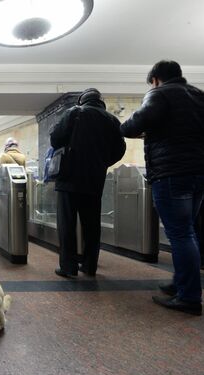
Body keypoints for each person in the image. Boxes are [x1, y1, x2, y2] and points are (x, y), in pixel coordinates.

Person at [121, 60, 204, 316]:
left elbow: (133, 124)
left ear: (156, 79)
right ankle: (181, 283)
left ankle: (189, 297)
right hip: (200, 173)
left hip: (172, 172)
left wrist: (133, 129)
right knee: (188, 230)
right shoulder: (201, 97)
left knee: (180, 233)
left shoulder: (159, 94)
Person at [50, 88, 126, 279]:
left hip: (68, 177)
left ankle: (68, 267)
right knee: (92, 225)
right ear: (100, 101)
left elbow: (55, 139)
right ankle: (90, 266)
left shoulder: (74, 113)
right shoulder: (112, 120)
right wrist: (102, 163)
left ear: (82, 100)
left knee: (67, 224)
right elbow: (120, 149)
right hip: (94, 179)